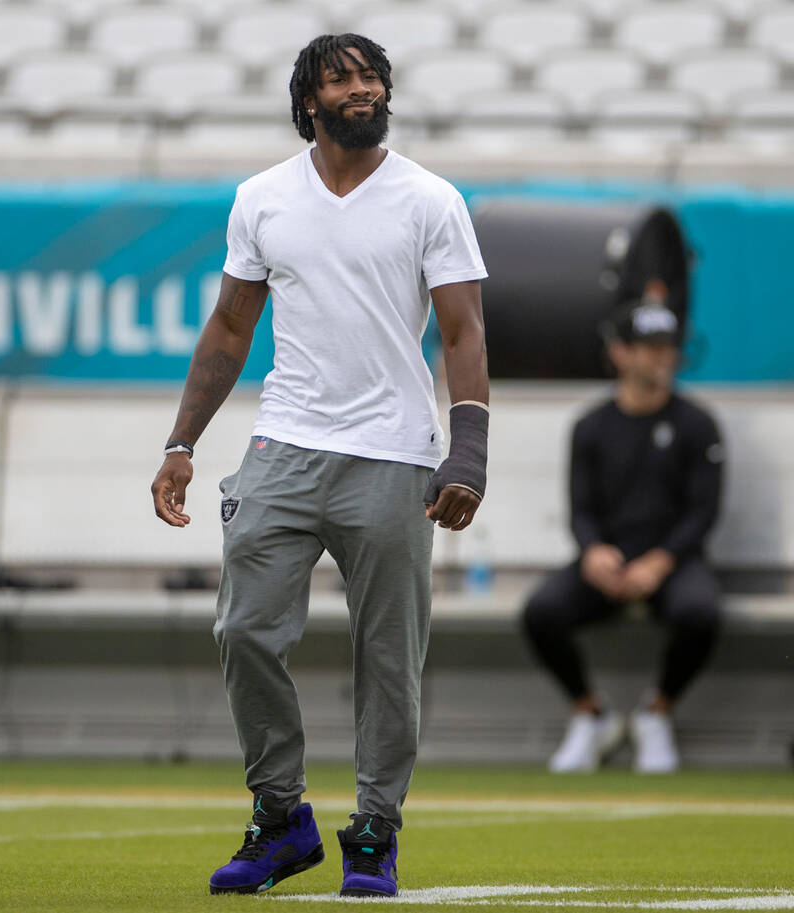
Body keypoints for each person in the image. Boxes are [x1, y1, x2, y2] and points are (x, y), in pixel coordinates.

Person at [149, 34, 489, 898]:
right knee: (243, 630)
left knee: (387, 656)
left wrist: (470, 451)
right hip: (286, 445)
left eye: (373, 76)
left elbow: (463, 332)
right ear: (308, 103)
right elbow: (229, 329)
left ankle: (375, 828)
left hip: (393, 454)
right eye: (342, 80)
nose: (363, 89)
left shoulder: (431, 199)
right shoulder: (262, 199)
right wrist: (181, 443)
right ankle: (281, 815)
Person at [522, 298, 724, 774]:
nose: (660, 357)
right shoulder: (591, 427)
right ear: (621, 354)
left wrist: (662, 560)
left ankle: (657, 713)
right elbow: (581, 509)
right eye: (647, 347)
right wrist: (593, 552)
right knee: (541, 612)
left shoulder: (698, 425)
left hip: (673, 562)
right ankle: (592, 714)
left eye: (667, 347)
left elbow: (704, 511)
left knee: (700, 612)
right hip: (609, 561)